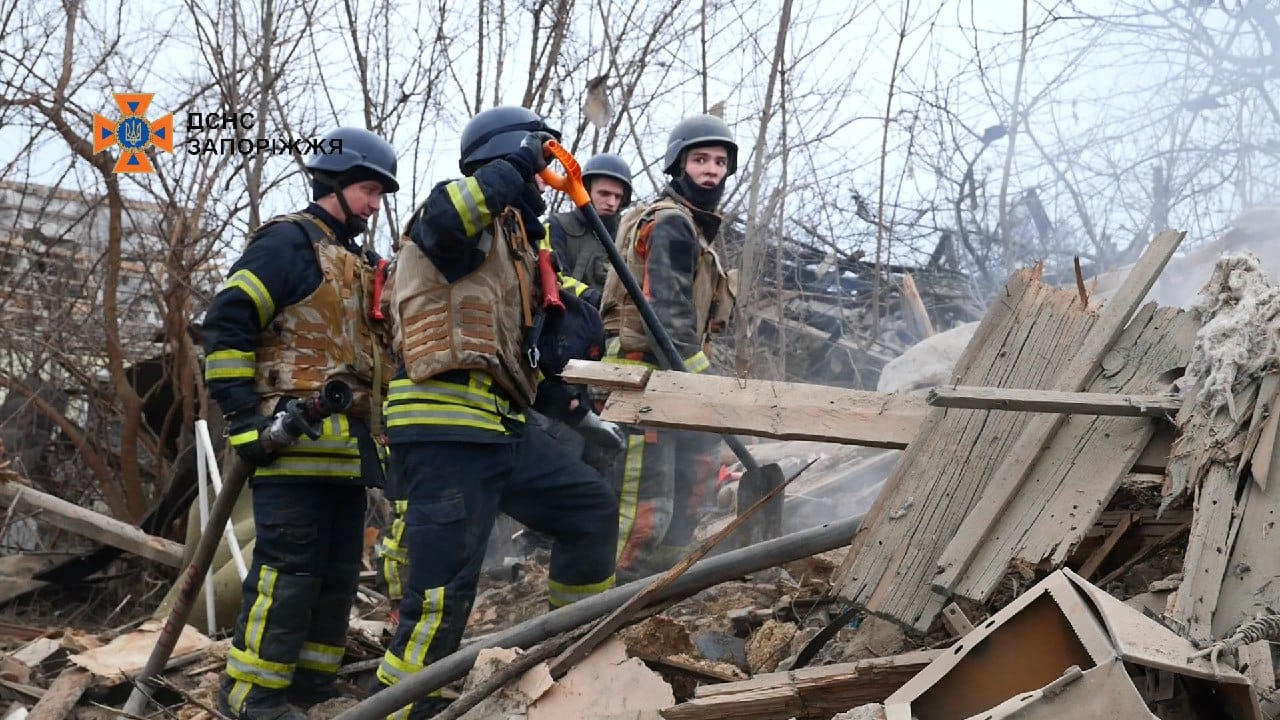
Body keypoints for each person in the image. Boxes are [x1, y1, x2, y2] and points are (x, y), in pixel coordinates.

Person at [375, 105, 620, 719]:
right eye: (541, 160)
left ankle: (572, 650)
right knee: (440, 597)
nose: (545, 177)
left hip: (500, 429)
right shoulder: (454, 218)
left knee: (587, 510)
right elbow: (447, 221)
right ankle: (403, 708)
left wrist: (579, 415)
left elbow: (518, 361)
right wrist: (523, 161)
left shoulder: (517, 248)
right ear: (512, 154)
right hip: (444, 427)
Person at [203, 127, 400, 720]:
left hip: (347, 453)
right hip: (288, 446)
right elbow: (227, 325)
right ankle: (252, 697)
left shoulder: (362, 262)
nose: (374, 205)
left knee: (337, 576)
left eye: (379, 194)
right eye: (368, 189)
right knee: (287, 575)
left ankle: (311, 689)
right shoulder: (285, 245)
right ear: (334, 184)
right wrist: (243, 420)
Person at [600, 114, 739, 582]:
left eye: (720, 162)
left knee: (695, 479)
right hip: (646, 376)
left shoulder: (692, 229)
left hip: (673, 372)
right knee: (647, 500)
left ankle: (659, 588)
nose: (711, 170)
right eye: (700, 159)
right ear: (678, 165)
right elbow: (668, 310)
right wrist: (705, 382)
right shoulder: (671, 224)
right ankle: (607, 600)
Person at [546, 152, 634, 300]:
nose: (611, 202)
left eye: (617, 196)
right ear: (586, 191)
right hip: (567, 317)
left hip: (614, 321)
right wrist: (595, 299)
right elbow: (553, 278)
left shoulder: (627, 236)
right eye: (604, 194)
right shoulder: (557, 225)